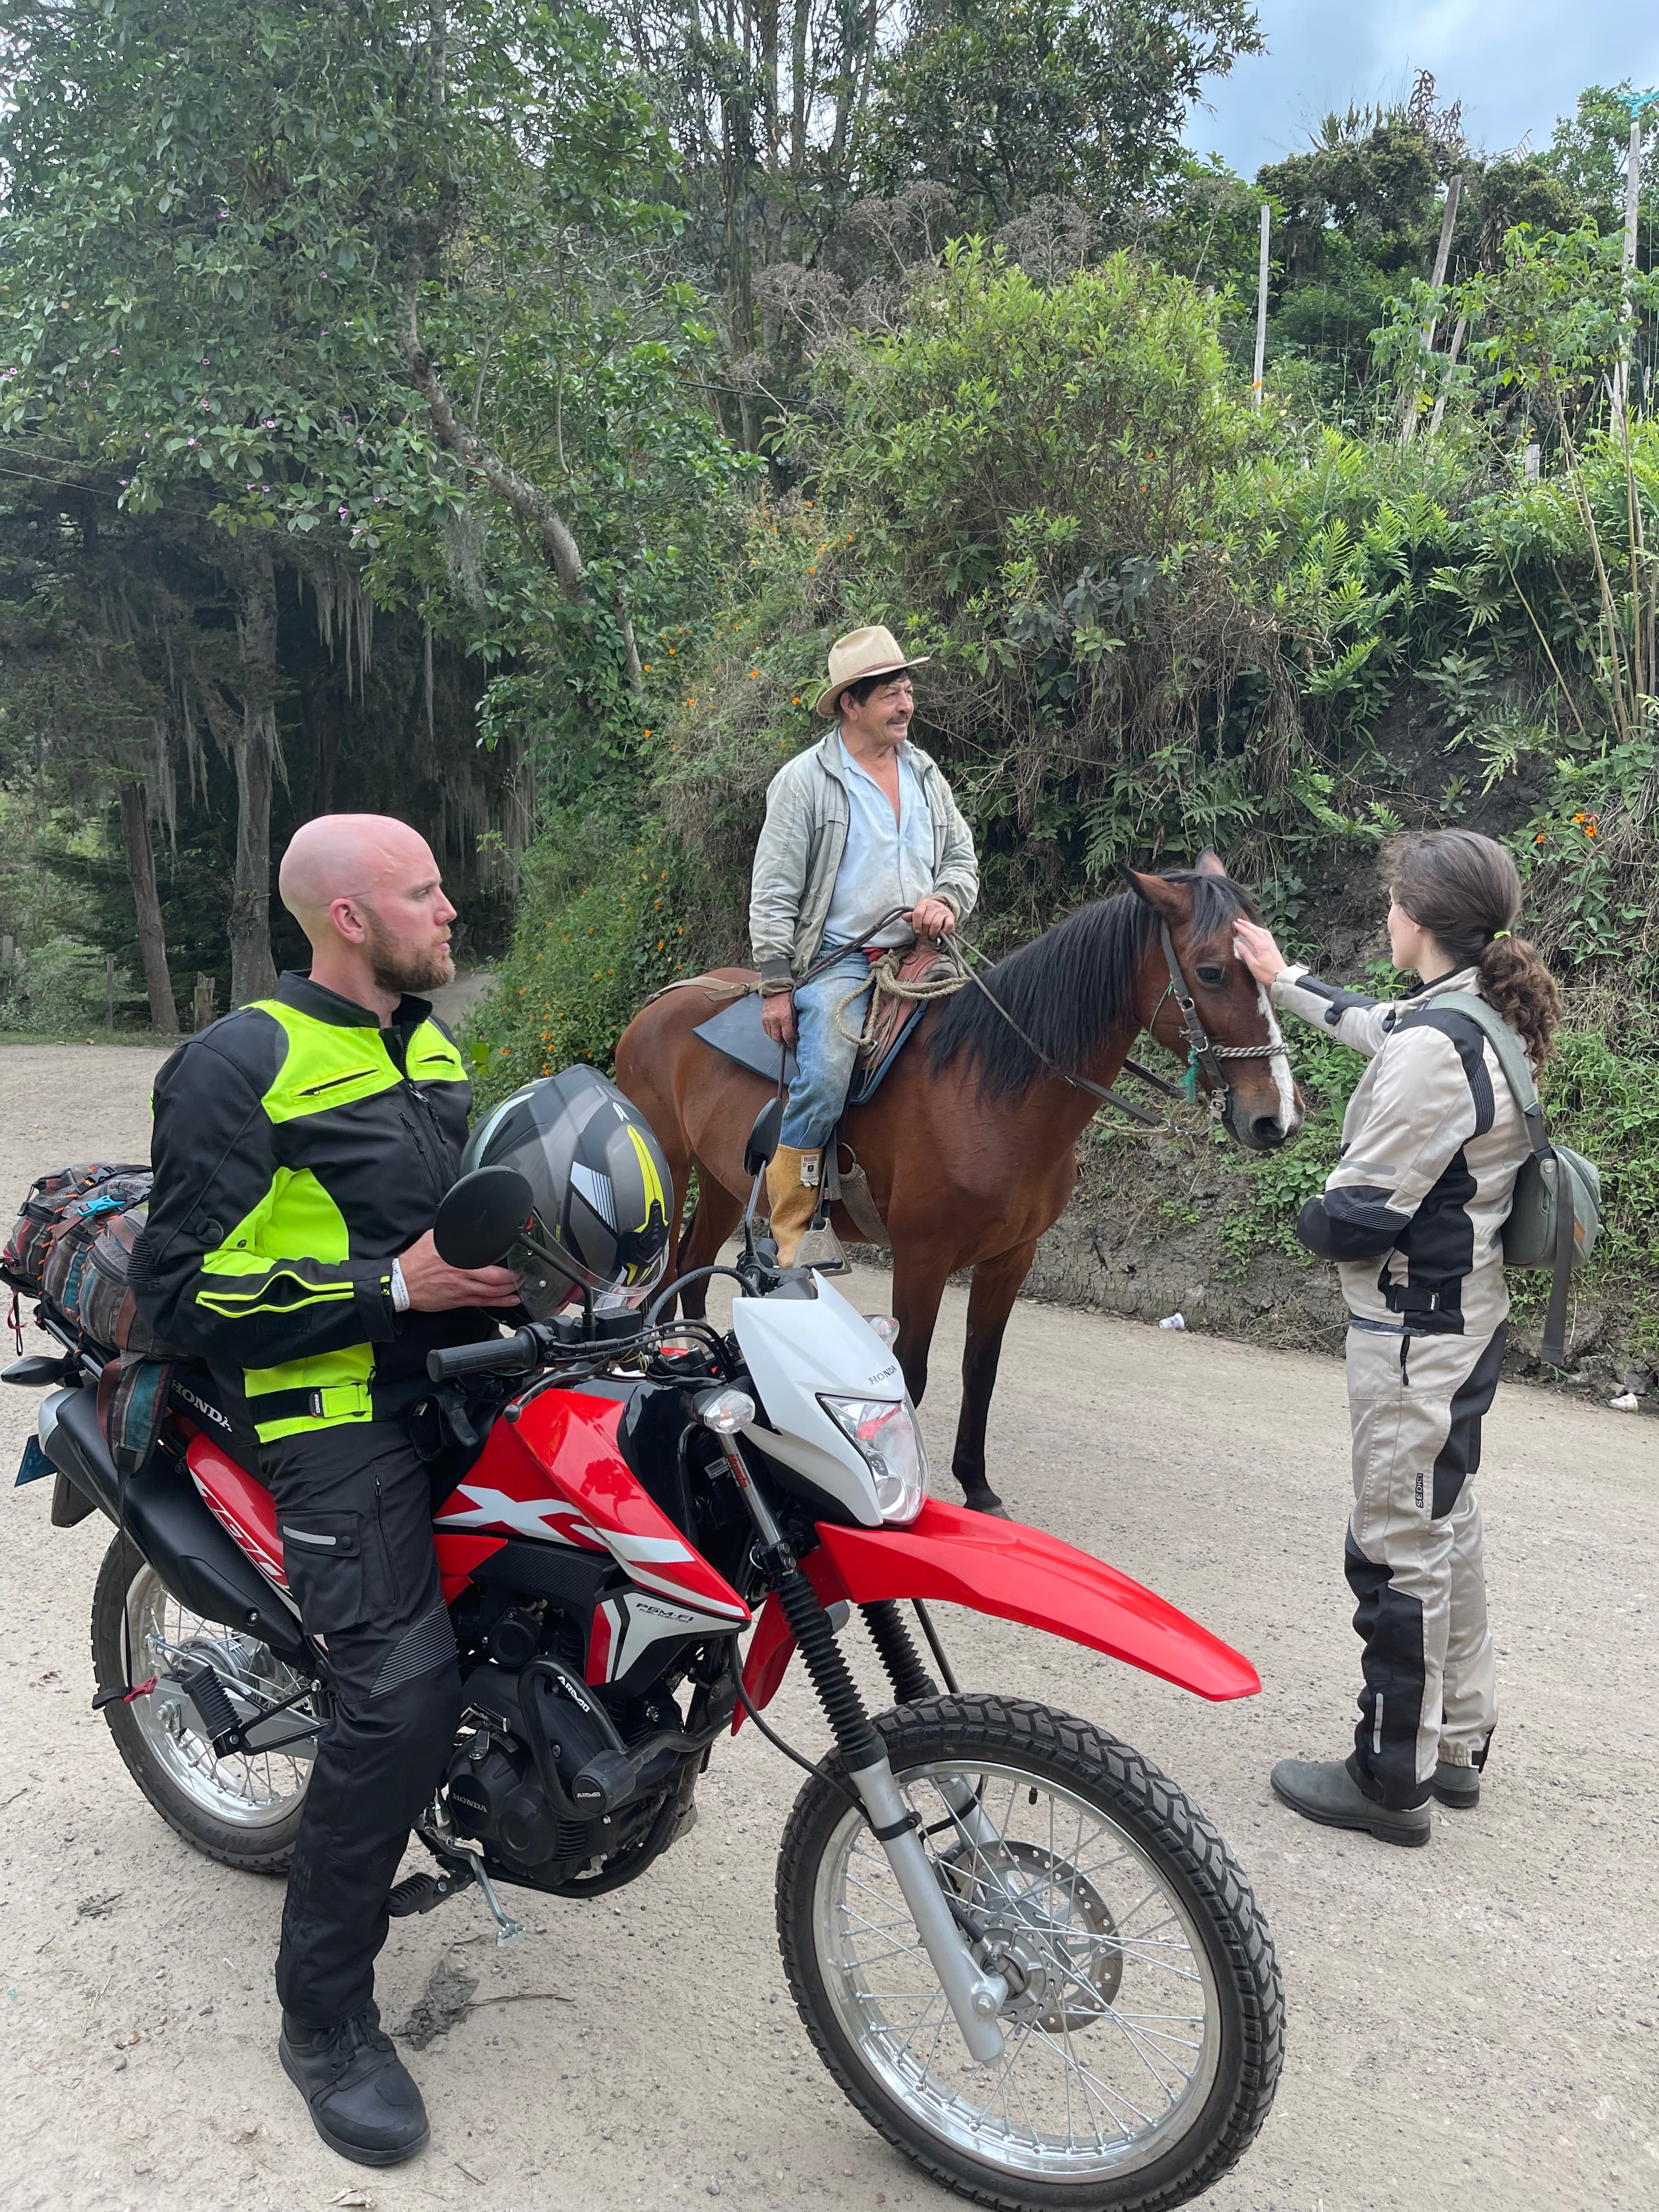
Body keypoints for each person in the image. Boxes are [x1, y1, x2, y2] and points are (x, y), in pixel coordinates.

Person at [132, 814, 520, 2166]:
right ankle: (324, 2020)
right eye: (424, 892)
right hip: (324, 1406)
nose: (450, 910)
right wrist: (387, 1289)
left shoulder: (429, 1042)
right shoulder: (242, 1062)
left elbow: (461, 1217)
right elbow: (173, 1298)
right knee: (400, 1691)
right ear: (348, 918)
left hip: (455, 1376)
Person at [1234, 830, 1561, 1847]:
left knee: (1391, 1546)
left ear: (1415, 919)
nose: (1384, 916)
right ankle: (1456, 1743)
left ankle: (1389, 1777)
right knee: (1444, 1521)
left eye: (1389, 902)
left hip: (1411, 1333)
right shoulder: (1471, 1014)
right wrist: (1279, 976)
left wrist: (1303, 1200)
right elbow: (1375, 1023)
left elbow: (1355, 1212)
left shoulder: (1435, 1048)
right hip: (1464, 1317)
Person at [749, 623, 978, 1262]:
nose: (906, 704)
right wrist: (776, 986)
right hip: (841, 961)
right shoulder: (803, 782)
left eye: (907, 690)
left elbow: (960, 855)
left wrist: (946, 900)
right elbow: (773, 892)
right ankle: (790, 1233)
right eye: (890, 695)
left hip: (926, 956)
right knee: (823, 1074)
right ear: (852, 704)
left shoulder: (926, 772)